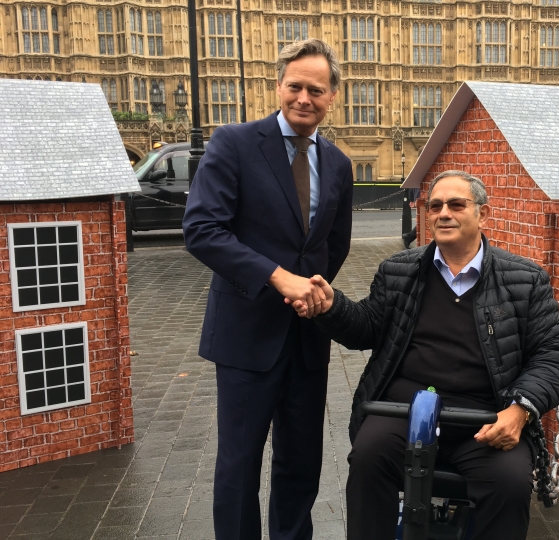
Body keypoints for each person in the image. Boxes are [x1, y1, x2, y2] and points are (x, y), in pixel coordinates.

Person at [294, 170, 559, 539]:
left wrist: (520, 410)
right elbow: (366, 328)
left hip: (485, 417)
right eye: (435, 205)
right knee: (367, 459)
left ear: (483, 215)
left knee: (509, 483)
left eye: (457, 204)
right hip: (402, 412)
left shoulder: (525, 279)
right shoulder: (399, 271)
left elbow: (551, 354)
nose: (444, 213)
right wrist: (332, 306)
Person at [182, 38, 353, 540]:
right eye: (295, 86)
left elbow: (333, 246)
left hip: (306, 334)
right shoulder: (233, 142)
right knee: (239, 464)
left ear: (332, 97)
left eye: (316, 90)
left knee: (301, 460)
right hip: (246, 332)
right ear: (279, 86)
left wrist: (315, 291)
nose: (304, 97)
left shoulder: (340, 164)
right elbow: (203, 230)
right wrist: (278, 278)